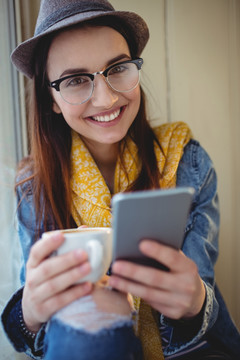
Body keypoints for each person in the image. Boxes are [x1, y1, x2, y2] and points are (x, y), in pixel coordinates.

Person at [1, 0, 240, 359]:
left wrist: (195, 302)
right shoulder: (34, 185)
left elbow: (203, 300)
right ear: (51, 98)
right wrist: (31, 313)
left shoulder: (186, 160)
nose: (106, 96)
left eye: (118, 68)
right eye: (76, 80)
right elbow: (37, 334)